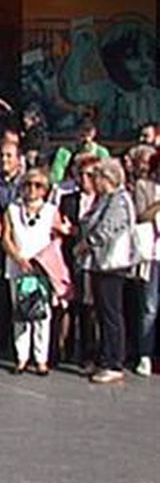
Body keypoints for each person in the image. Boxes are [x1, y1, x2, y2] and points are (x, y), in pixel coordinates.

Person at [2, 168, 69, 375]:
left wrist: (45, 259)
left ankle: (41, 358)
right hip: (18, 266)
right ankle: (22, 357)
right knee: (20, 313)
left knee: (42, 314)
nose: (32, 189)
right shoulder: (12, 209)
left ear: (45, 189)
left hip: (42, 268)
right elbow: (6, 237)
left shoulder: (50, 210)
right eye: (28, 184)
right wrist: (18, 258)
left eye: (38, 185)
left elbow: (59, 237)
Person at [78, 158, 135, 384]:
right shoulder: (106, 199)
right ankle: (104, 357)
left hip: (112, 264)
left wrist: (87, 242)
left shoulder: (119, 200)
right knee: (102, 311)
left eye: (97, 177)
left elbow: (107, 228)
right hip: (100, 263)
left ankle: (114, 361)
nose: (95, 182)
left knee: (112, 313)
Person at [56, 153, 101, 369]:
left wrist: (77, 231)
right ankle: (64, 348)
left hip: (93, 259)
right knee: (69, 304)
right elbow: (61, 225)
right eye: (81, 175)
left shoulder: (102, 201)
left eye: (90, 175)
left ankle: (88, 351)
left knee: (89, 307)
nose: (85, 180)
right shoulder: (68, 200)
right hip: (70, 256)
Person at [134, 152, 160, 376]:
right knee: (149, 307)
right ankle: (145, 354)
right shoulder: (145, 186)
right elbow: (141, 216)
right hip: (153, 255)